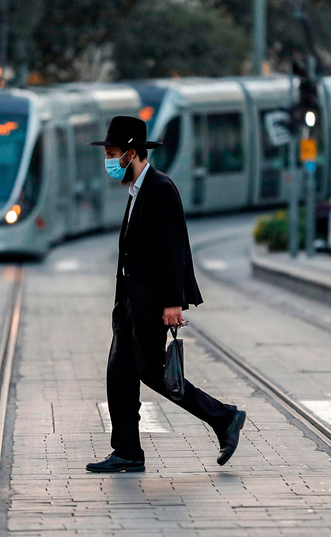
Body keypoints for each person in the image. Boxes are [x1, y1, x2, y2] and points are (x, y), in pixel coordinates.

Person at [84, 116, 245, 474]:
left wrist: (173, 301)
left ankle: (225, 417)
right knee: (119, 376)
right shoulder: (137, 191)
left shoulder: (160, 187)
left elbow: (175, 248)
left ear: (131, 153)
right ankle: (127, 451)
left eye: (112, 154)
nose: (108, 162)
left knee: (154, 373)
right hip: (128, 303)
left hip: (151, 303)